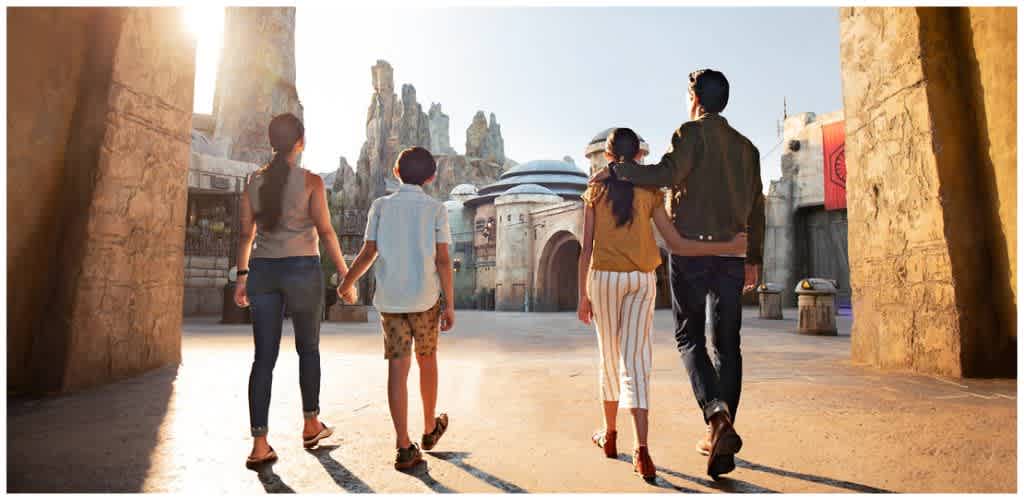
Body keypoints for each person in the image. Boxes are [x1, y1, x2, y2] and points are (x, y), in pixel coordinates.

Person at [591, 69, 765, 479]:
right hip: (732, 253)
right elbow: (758, 207)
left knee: (689, 336)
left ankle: (717, 417)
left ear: (694, 97)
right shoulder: (748, 148)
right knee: (728, 343)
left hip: (691, 252)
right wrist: (754, 257)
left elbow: (664, 175)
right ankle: (721, 429)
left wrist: (618, 170)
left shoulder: (689, 134)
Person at [234, 113, 355, 469]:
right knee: (309, 350)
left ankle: (259, 443)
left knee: (263, 358)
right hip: (303, 269)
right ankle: (310, 423)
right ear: (300, 142)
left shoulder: (254, 182)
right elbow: (328, 232)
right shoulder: (312, 182)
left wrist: (242, 276)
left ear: (273, 142)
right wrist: (346, 277)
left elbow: (246, 235)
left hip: (263, 271)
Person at [339, 146, 455, 470]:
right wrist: (450, 305)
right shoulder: (436, 209)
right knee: (427, 360)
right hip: (426, 300)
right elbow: (443, 260)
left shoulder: (380, 206)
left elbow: (368, 252)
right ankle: (430, 428)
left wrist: (346, 282)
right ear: (431, 177)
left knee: (397, 370)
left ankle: (404, 446)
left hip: (391, 303)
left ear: (395, 172)